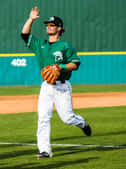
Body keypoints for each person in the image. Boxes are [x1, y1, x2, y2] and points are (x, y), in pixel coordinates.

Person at [21, 7, 91, 159]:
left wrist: (61, 66)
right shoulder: (40, 44)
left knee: (67, 118)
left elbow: (75, 64)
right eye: (47, 25)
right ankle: (45, 150)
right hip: (46, 86)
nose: (48, 27)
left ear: (59, 28)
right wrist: (31, 19)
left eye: (52, 25)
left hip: (62, 87)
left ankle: (82, 124)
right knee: (43, 117)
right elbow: (24, 35)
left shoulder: (65, 46)